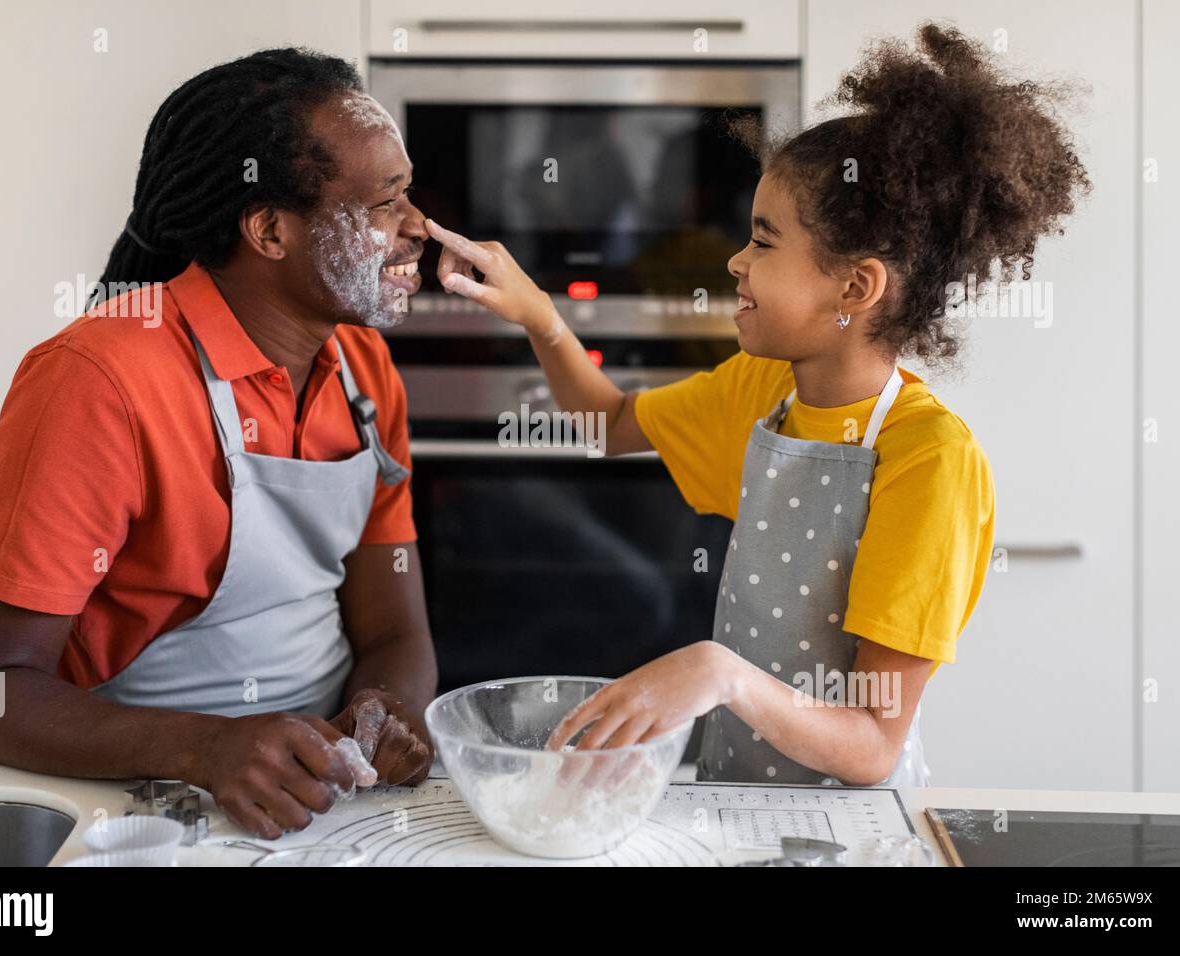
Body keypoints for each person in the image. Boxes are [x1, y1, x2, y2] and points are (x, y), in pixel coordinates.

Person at [423, 23, 1089, 787]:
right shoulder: (765, 388)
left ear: (854, 287)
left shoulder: (928, 458)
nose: (736, 261)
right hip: (740, 793)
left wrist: (721, 674)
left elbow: (873, 745)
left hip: (847, 826)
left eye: (765, 243)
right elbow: (606, 426)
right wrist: (540, 314)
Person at [0, 49, 437, 838]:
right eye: (384, 204)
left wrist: (383, 713)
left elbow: (393, 631)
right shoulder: (100, 380)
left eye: (408, 193)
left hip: (322, 801)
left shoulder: (363, 370)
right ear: (270, 229)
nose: (420, 229)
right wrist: (208, 749)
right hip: (145, 808)